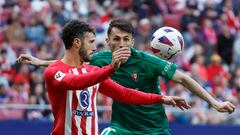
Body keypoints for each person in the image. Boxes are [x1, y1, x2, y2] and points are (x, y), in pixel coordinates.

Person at [17, 19, 235, 135]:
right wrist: (41, 62)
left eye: (126, 39)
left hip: (154, 129)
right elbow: (72, 67)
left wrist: (214, 102)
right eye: (116, 39)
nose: (121, 44)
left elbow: (184, 79)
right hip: (121, 128)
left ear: (132, 42)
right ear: (109, 42)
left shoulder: (148, 62)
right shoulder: (100, 61)